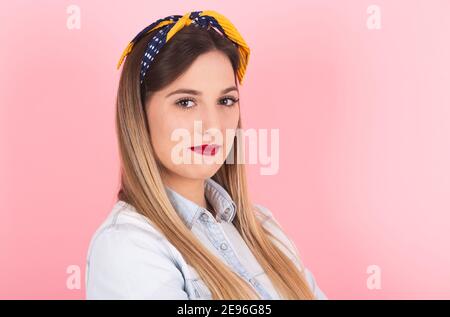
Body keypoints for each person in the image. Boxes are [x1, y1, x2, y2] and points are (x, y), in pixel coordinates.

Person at [85, 10, 327, 300]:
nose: (213, 127)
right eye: (186, 102)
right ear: (139, 114)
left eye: (226, 101)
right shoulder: (128, 246)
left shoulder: (264, 227)